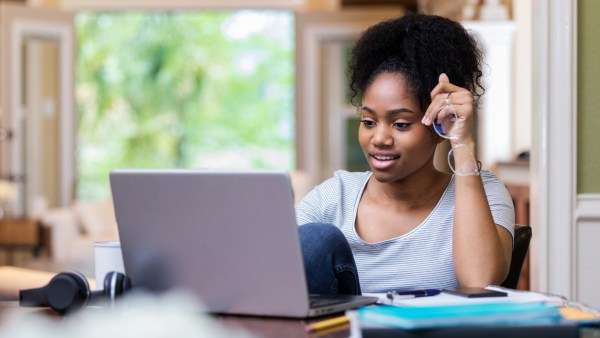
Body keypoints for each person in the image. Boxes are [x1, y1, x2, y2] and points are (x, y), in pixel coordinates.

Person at [296, 13, 515, 295]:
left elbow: (479, 282)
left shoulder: (483, 191)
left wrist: (462, 143)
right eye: (368, 122)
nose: (379, 139)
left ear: (438, 126)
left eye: (400, 124)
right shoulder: (335, 197)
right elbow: (269, 264)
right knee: (313, 240)